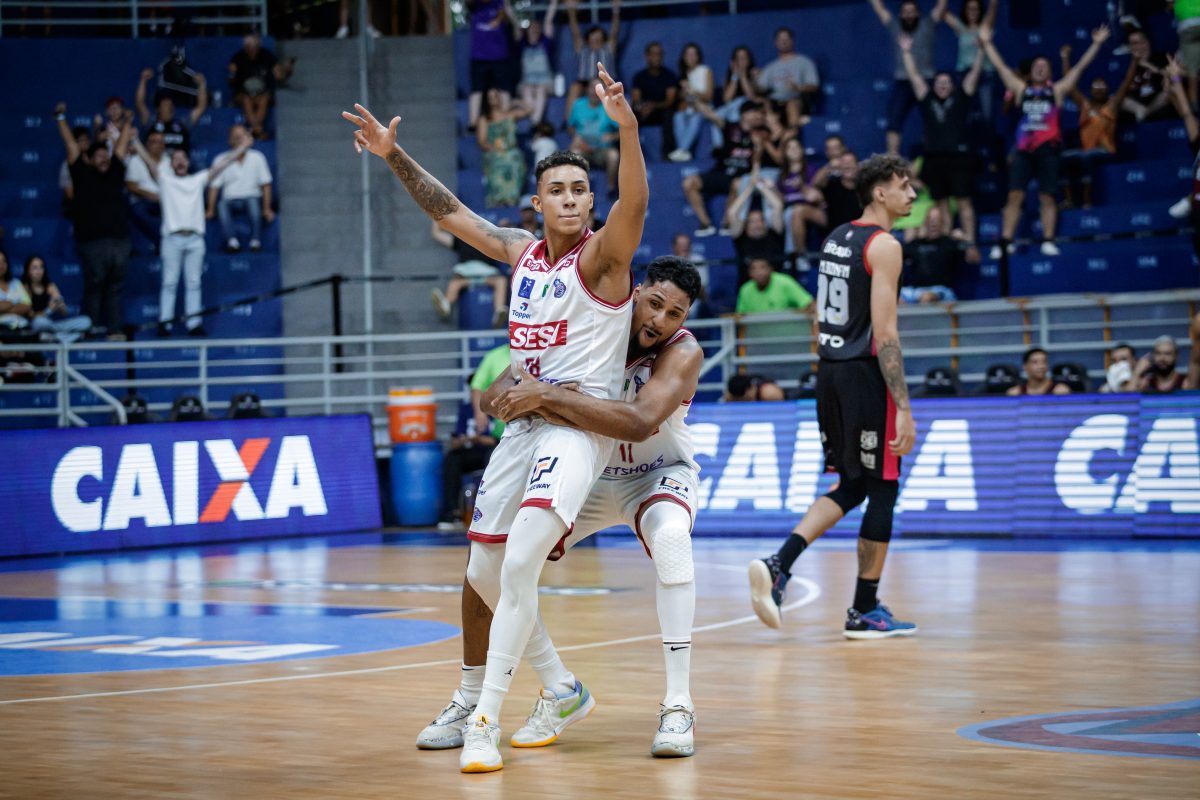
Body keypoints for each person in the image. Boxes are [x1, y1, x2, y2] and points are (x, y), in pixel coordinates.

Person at [343, 60, 646, 774]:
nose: (570, 199)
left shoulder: (604, 260)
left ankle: (483, 719)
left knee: (517, 562)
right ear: (537, 202)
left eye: (580, 190)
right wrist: (393, 156)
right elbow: (448, 211)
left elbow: (634, 202)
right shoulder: (521, 253)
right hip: (522, 429)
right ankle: (559, 689)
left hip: (579, 427)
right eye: (557, 190)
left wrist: (627, 129)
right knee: (482, 568)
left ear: (591, 200)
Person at [417, 257, 705, 759]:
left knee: (672, 539)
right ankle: (555, 688)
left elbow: (639, 422)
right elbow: (494, 397)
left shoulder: (683, 352)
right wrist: (545, 394)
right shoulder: (589, 329)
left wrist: (551, 397)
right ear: (636, 293)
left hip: (656, 474)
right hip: (590, 474)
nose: (660, 320)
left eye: (674, 313)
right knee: (492, 564)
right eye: (655, 304)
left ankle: (678, 705)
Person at [748, 154, 919, 639]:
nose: (911, 194)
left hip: (829, 372)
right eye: (903, 185)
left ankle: (779, 563)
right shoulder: (885, 245)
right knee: (882, 487)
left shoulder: (836, 238)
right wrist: (903, 407)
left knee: (852, 485)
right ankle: (864, 609)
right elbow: (885, 334)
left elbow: (823, 318)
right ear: (880, 193)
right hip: (865, 376)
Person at [979, 23, 1111, 260]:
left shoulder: (1057, 91)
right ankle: (1006, 242)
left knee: (1047, 196)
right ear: (1030, 72)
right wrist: (987, 43)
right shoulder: (1021, 90)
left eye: (1045, 67)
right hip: (1023, 151)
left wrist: (1096, 44)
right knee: (1014, 197)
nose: (1040, 69)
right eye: (1036, 66)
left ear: (1050, 72)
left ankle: (1048, 241)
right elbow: (1001, 68)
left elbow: (1079, 68)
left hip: (1048, 151)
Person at [135, 139, 251, 337]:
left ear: (188, 162)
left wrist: (242, 147)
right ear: (171, 164)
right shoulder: (165, 180)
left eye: (183, 158)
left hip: (195, 239)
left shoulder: (197, 179)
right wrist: (135, 141)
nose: (180, 161)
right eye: (176, 159)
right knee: (169, 283)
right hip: (172, 239)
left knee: (194, 283)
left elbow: (221, 165)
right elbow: (149, 162)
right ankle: (165, 324)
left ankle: (194, 324)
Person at [56, 101, 134, 339]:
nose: (103, 158)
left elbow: (121, 145)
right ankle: (87, 330)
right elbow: (71, 145)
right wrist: (60, 119)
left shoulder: (115, 171)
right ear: (88, 159)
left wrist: (127, 122)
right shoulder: (81, 172)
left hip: (119, 241)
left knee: (115, 288)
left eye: (105, 155)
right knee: (94, 286)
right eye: (98, 156)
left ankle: (114, 329)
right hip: (92, 242)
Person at [901, 32, 983, 240]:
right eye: (939, 82)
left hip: (959, 158)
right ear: (934, 85)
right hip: (934, 159)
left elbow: (975, 73)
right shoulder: (927, 98)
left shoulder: (962, 96)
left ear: (953, 85)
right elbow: (914, 76)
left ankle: (970, 242)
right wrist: (906, 52)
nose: (943, 85)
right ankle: (946, 241)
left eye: (946, 82)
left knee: (964, 201)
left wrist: (982, 49)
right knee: (941, 203)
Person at [868, 0, 950, 156]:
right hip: (903, 81)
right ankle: (892, 157)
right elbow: (879, 8)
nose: (909, 15)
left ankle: (938, 153)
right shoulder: (895, 26)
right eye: (905, 12)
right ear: (900, 15)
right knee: (894, 120)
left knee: (935, 119)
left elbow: (941, 6)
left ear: (918, 13)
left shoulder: (928, 24)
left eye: (912, 11)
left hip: (926, 81)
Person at [1059, 52, 1137, 208]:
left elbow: (1127, 82)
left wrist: (1135, 60)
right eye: (1096, 86)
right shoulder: (1085, 106)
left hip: (1106, 151)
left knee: (1087, 157)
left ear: (1107, 89)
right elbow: (1070, 85)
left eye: (1102, 86)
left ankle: (1087, 201)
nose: (1099, 89)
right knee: (1062, 158)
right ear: (1091, 90)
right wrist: (1065, 59)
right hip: (1085, 150)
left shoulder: (1112, 106)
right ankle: (1068, 200)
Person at [681, 100, 764, 236]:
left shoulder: (762, 134)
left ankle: (727, 223)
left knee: (737, 184)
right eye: (754, 112)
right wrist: (693, 98)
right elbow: (710, 114)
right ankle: (705, 224)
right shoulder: (731, 127)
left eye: (759, 113)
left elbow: (758, 161)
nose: (758, 116)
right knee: (688, 182)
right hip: (720, 173)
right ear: (744, 114)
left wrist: (758, 147)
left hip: (740, 177)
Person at [206, 125, 275, 252]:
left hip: (252, 197)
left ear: (247, 138)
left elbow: (266, 185)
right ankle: (232, 241)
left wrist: (267, 208)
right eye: (235, 137)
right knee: (221, 205)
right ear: (229, 140)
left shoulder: (257, 157)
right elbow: (214, 187)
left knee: (253, 203)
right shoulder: (221, 159)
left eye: (241, 137)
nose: (238, 140)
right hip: (230, 199)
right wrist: (210, 209)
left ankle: (255, 240)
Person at [430, 221, 511, 325]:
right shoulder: (460, 239)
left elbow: (508, 238)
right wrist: (436, 217)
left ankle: (499, 312)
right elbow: (436, 233)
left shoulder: (490, 240)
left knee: (501, 281)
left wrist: (504, 226)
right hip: (465, 275)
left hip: (487, 274)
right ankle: (446, 305)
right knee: (454, 284)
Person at [228, 32, 295, 140]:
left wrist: (287, 71)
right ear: (245, 48)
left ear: (258, 46)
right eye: (249, 47)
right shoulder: (238, 58)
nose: (252, 50)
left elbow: (279, 75)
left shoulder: (267, 56)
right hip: (243, 94)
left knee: (264, 98)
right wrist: (232, 73)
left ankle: (255, 130)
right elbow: (231, 79)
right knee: (246, 99)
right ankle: (258, 130)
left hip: (262, 93)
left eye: (255, 47)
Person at [940, 0, 998, 124]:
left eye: (976, 9)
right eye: (969, 9)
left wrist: (993, 3)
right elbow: (942, 11)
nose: (973, 12)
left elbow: (993, 7)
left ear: (980, 11)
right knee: (964, 114)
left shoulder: (985, 27)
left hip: (985, 74)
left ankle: (987, 137)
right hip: (964, 75)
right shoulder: (961, 27)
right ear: (965, 11)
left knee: (987, 115)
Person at [564, 0, 620, 125]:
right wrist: (571, 12)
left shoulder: (608, 48)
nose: (596, 40)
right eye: (593, 38)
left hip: (605, 81)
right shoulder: (583, 49)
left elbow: (614, 32)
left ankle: (615, 125)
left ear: (603, 38)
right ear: (588, 39)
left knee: (615, 90)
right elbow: (575, 33)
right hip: (585, 81)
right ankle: (569, 123)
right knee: (574, 88)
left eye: (599, 38)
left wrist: (615, 11)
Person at [756, 27, 820, 129]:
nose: (783, 42)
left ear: (792, 41)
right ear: (775, 43)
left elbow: (813, 86)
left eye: (786, 39)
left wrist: (798, 87)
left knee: (792, 104)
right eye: (780, 39)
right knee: (758, 108)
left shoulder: (804, 62)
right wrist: (754, 79)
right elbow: (760, 88)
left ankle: (793, 134)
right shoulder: (770, 67)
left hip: (797, 100)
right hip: (775, 102)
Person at [466, 0, 516, 130]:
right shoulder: (475, 5)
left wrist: (502, 12)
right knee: (476, 90)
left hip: (500, 56)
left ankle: (506, 121)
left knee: (504, 90)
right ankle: (473, 124)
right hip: (479, 57)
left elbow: (508, 19)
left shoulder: (500, 3)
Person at [901, 205, 967, 303]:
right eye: (930, 219)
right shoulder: (915, 244)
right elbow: (896, 257)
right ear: (925, 222)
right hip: (917, 290)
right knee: (896, 298)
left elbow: (972, 259)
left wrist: (964, 241)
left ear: (942, 223)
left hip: (942, 290)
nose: (933, 223)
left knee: (926, 297)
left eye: (936, 220)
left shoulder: (949, 243)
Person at [135, 67, 207, 154]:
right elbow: (140, 103)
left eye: (171, 105)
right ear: (158, 108)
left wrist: (202, 84)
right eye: (166, 105)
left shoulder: (182, 124)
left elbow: (201, 107)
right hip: (154, 161)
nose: (170, 108)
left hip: (178, 161)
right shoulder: (150, 122)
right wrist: (143, 80)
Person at [478, 88, 531, 207]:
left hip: (511, 151)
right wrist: (496, 149)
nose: (494, 100)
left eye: (496, 96)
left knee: (514, 157)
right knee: (501, 159)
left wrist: (517, 102)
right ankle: (499, 199)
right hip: (493, 152)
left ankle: (512, 199)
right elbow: (482, 141)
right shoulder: (485, 119)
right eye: (490, 98)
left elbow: (529, 110)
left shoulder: (510, 114)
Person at [20, 255, 92, 340]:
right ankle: (69, 335)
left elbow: (64, 313)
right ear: (28, 271)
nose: (39, 271)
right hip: (39, 324)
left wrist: (60, 305)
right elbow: (31, 316)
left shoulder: (50, 286)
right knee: (38, 322)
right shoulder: (24, 288)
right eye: (35, 268)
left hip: (53, 324)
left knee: (86, 321)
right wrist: (48, 310)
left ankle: (55, 336)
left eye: (41, 267)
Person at [777, 137, 826, 259]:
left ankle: (799, 255)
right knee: (788, 212)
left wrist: (801, 186)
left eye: (796, 147)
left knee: (795, 211)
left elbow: (817, 197)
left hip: (813, 209)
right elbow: (781, 199)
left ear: (801, 150)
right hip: (789, 209)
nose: (793, 150)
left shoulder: (812, 169)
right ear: (785, 153)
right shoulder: (782, 175)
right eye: (789, 148)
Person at [567, 81, 620, 192]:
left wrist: (612, 136)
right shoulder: (578, 104)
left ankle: (611, 188)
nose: (595, 92)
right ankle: (579, 189)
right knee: (574, 153)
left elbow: (623, 130)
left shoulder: (609, 106)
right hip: (583, 147)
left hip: (603, 149)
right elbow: (571, 127)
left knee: (614, 155)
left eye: (599, 89)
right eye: (592, 88)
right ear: (587, 89)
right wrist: (576, 137)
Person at [631, 42, 679, 160]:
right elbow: (636, 99)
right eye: (653, 54)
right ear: (647, 56)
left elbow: (670, 100)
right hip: (644, 111)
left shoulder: (669, 76)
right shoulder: (639, 77)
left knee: (669, 114)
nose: (657, 57)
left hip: (661, 111)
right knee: (630, 115)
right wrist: (642, 107)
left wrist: (654, 106)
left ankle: (668, 154)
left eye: (659, 54)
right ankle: (630, 153)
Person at [513, 0, 558, 125]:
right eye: (532, 27)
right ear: (526, 30)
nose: (534, 29)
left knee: (540, 90)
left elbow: (548, 20)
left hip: (546, 82)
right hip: (527, 82)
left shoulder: (545, 44)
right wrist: (506, 5)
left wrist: (554, 3)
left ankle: (535, 124)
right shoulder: (522, 45)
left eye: (537, 27)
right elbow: (514, 22)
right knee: (527, 90)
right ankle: (535, 122)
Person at [125, 129, 169, 251]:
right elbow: (131, 186)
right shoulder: (136, 160)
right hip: (144, 199)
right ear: (147, 145)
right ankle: (162, 239)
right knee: (138, 210)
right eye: (154, 141)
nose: (159, 144)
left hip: (166, 200)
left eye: (161, 141)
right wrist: (152, 195)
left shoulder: (169, 161)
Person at [669, 43, 714, 162]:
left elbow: (708, 96)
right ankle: (684, 152)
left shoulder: (705, 71)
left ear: (698, 56)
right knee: (678, 116)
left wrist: (692, 90)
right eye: (688, 55)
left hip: (704, 108)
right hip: (688, 109)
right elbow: (682, 99)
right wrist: (683, 93)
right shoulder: (683, 75)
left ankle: (682, 150)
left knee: (695, 118)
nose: (691, 57)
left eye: (693, 54)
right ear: (684, 57)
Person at [712, 45, 763, 148]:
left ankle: (737, 144)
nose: (741, 61)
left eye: (744, 58)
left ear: (749, 60)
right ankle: (718, 146)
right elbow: (727, 99)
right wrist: (735, 76)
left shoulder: (755, 73)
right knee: (715, 116)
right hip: (732, 105)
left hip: (748, 105)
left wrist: (743, 76)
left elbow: (751, 97)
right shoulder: (729, 76)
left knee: (735, 115)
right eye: (738, 58)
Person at [1122, 30, 1171, 122]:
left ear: (1147, 43)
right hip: (1137, 102)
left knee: (1168, 94)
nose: (1138, 46)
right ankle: (1144, 113)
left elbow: (1172, 76)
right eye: (1133, 44)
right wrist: (1134, 64)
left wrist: (1148, 65)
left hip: (1156, 98)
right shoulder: (1127, 63)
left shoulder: (1162, 58)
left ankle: (1145, 114)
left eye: (1140, 42)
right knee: (1118, 99)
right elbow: (1124, 89)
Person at [736, 257, 813, 314]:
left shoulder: (785, 282)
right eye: (754, 268)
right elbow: (740, 317)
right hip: (757, 330)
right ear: (749, 273)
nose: (759, 272)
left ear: (771, 269)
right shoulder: (745, 289)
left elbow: (810, 304)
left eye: (763, 267)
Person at [815, 149, 863, 230]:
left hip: (858, 232)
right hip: (836, 233)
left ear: (857, 166)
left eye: (851, 162)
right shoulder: (832, 185)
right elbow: (816, 183)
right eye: (844, 162)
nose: (847, 164)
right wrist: (829, 166)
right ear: (839, 166)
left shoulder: (864, 187)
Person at [1006, 347, 1071, 395]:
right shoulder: (1015, 393)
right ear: (1025, 366)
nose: (1041, 366)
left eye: (1044, 362)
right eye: (1035, 362)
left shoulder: (1060, 391)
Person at [0, 250, 32, 331]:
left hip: (21, 326)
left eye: (4, 261)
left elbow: (27, 306)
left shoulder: (16, 283)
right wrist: (15, 303)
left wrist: (5, 307)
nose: (1, 264)